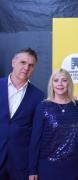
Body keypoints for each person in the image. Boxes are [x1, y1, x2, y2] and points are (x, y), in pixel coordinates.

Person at [29, 68, 78, 180]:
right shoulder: (43, 107)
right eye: (56, 80)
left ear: (69, 83)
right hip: (48, 168)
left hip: (74, 167)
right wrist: (32, 169)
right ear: (51, 84)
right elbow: (35, 141)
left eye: (64, 80)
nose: (60, 84)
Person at [0, 48, 44, 180]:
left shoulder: (38, 95)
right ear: (13, 62)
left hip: (21, 163)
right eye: (23, 62)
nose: (26, 67)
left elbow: (36, 135)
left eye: (31, 65)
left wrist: (33, 169)